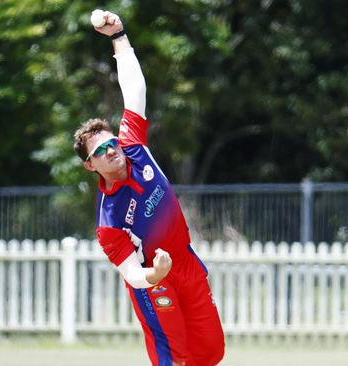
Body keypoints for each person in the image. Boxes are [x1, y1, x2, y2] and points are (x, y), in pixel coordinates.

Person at [72, 10, 225, 366]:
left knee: (210, 352)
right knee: (174, 357)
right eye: (100, 152)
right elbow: (131, 273)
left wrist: (118, 35)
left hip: (185, 262)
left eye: (111, 144)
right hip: (155, 283)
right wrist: (153, 274)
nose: (111, 152)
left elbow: (135, 88)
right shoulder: (108, 221)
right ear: (90, 165)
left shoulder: (133, 144)